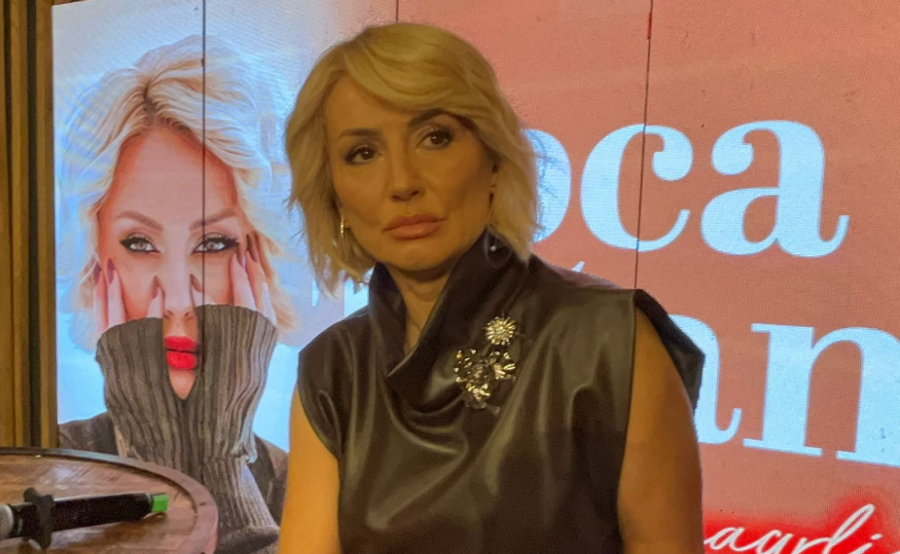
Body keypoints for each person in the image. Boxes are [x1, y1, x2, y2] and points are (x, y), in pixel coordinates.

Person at [280, 22, 705, 554]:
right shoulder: (332, 370)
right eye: (363, 153)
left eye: (435, 137)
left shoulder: (611, 342)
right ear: (334, 193)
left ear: (494, 161)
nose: (402, 182)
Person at [56, 35, 297, 554]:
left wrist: (219, 457)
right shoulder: (51, 461)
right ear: (95, 263)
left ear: (262, 261)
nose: (178, 300)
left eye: (213, 244)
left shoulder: (304, 483)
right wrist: (154, 449)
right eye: (139, 244)